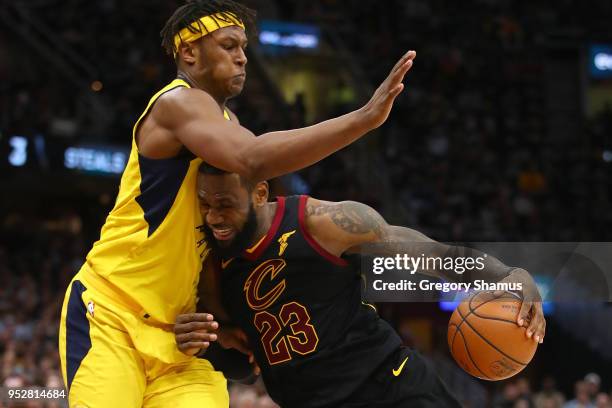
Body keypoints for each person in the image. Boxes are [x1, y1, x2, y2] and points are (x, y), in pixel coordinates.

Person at [57, 0, 417, 406]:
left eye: (244, 46)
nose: (243, 56)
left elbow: (228, 242)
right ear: (189, 52)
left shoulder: (229, 128)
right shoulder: (177, 104)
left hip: (183, 336)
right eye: (229, 45)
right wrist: (363, 119)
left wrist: (224, 322)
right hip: (111, 312)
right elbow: (254, 158)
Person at [174, 163, 546, 408]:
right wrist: (205, 344)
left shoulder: (322, 223)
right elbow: (244, 366)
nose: (213, 217)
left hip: (389, 389)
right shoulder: (212, 267)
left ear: (259, 194)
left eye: (225, 204)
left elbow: (433, 255)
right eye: (205, 205)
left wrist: (508, 275)